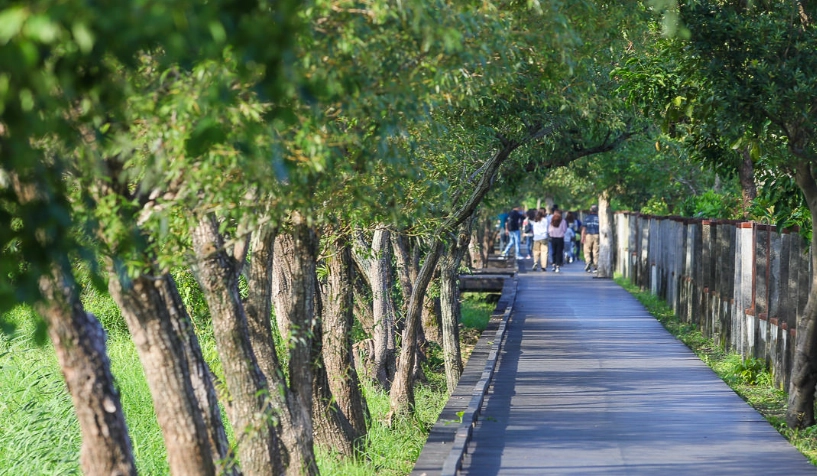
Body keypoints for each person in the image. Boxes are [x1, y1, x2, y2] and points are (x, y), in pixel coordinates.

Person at [581, 204, 600, 273]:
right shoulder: (599, 218)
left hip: (588, 235)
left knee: (587, 250)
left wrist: (582, 237)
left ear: (590, 210)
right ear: (597, 210)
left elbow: (584, 228)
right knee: (596, 251)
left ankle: (588, 262)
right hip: (597, 235)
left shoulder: (587, 218)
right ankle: (596, 266)